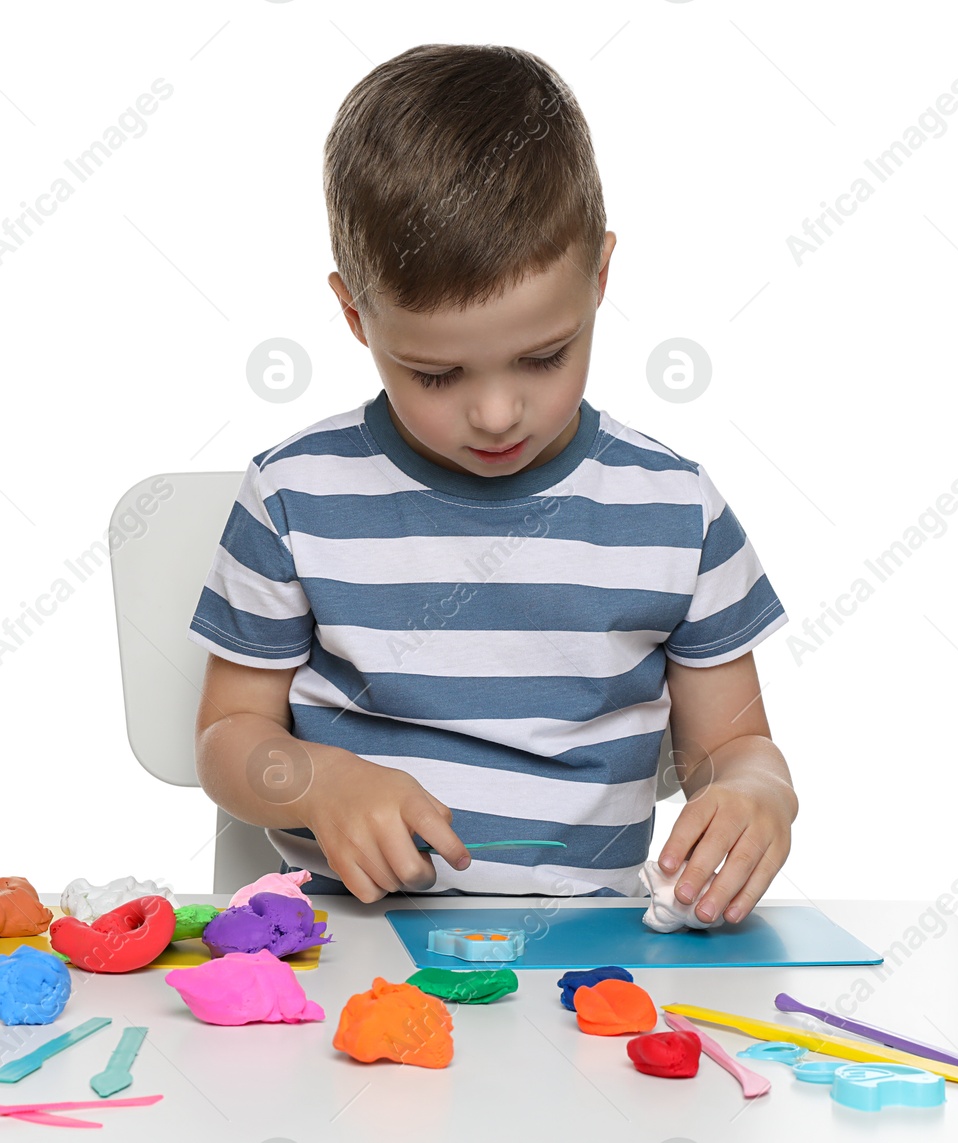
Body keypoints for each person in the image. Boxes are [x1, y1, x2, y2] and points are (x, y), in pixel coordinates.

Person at [188, 44, 794, 925]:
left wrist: (759, 793)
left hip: (588, 953)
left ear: (601, 278)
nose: (498, 413)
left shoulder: (674, 513)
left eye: (544, 357)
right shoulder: (294, 498)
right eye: (437, 374)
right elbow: (226, 737)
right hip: (342, 940)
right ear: (357, 317)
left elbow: (733, 745)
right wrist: (318, 782)